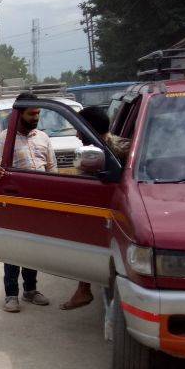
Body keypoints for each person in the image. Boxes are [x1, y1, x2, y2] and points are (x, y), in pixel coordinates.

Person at [0, 105, 53, 312]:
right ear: (19, 114)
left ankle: (30, 291)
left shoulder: (43, 138)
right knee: (14, 248)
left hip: (38, 203)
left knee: (33, 247)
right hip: (14, 202)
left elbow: (51, 168)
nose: (36, 117)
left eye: (38, 114)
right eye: (31, 113)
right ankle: (11, 295)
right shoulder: (3, 139)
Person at [61, 106, 126, 310]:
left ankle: (84, 289)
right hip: (101, 210)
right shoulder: (96, 149)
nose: (78, 135)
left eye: (80, 129)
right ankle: (84, 288)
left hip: (117, 213)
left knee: (83, 239)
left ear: (90, 128)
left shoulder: (120, 149)